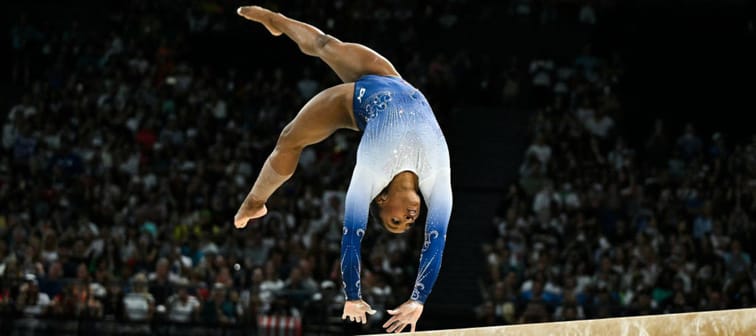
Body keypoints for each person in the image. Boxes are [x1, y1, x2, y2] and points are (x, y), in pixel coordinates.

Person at [233, 6, 453, 333]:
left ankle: (254, 200)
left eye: (395, 221)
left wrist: (353, 295)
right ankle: (277, 20)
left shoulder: (372, 172)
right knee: (325, 44)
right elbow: (436, 239)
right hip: (393, 80)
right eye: (409, 223)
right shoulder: (437, 178)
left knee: (290, 139)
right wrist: (417, 301)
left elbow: (352, 235)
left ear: (380, 201)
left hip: (353, 102)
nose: (408, 220)